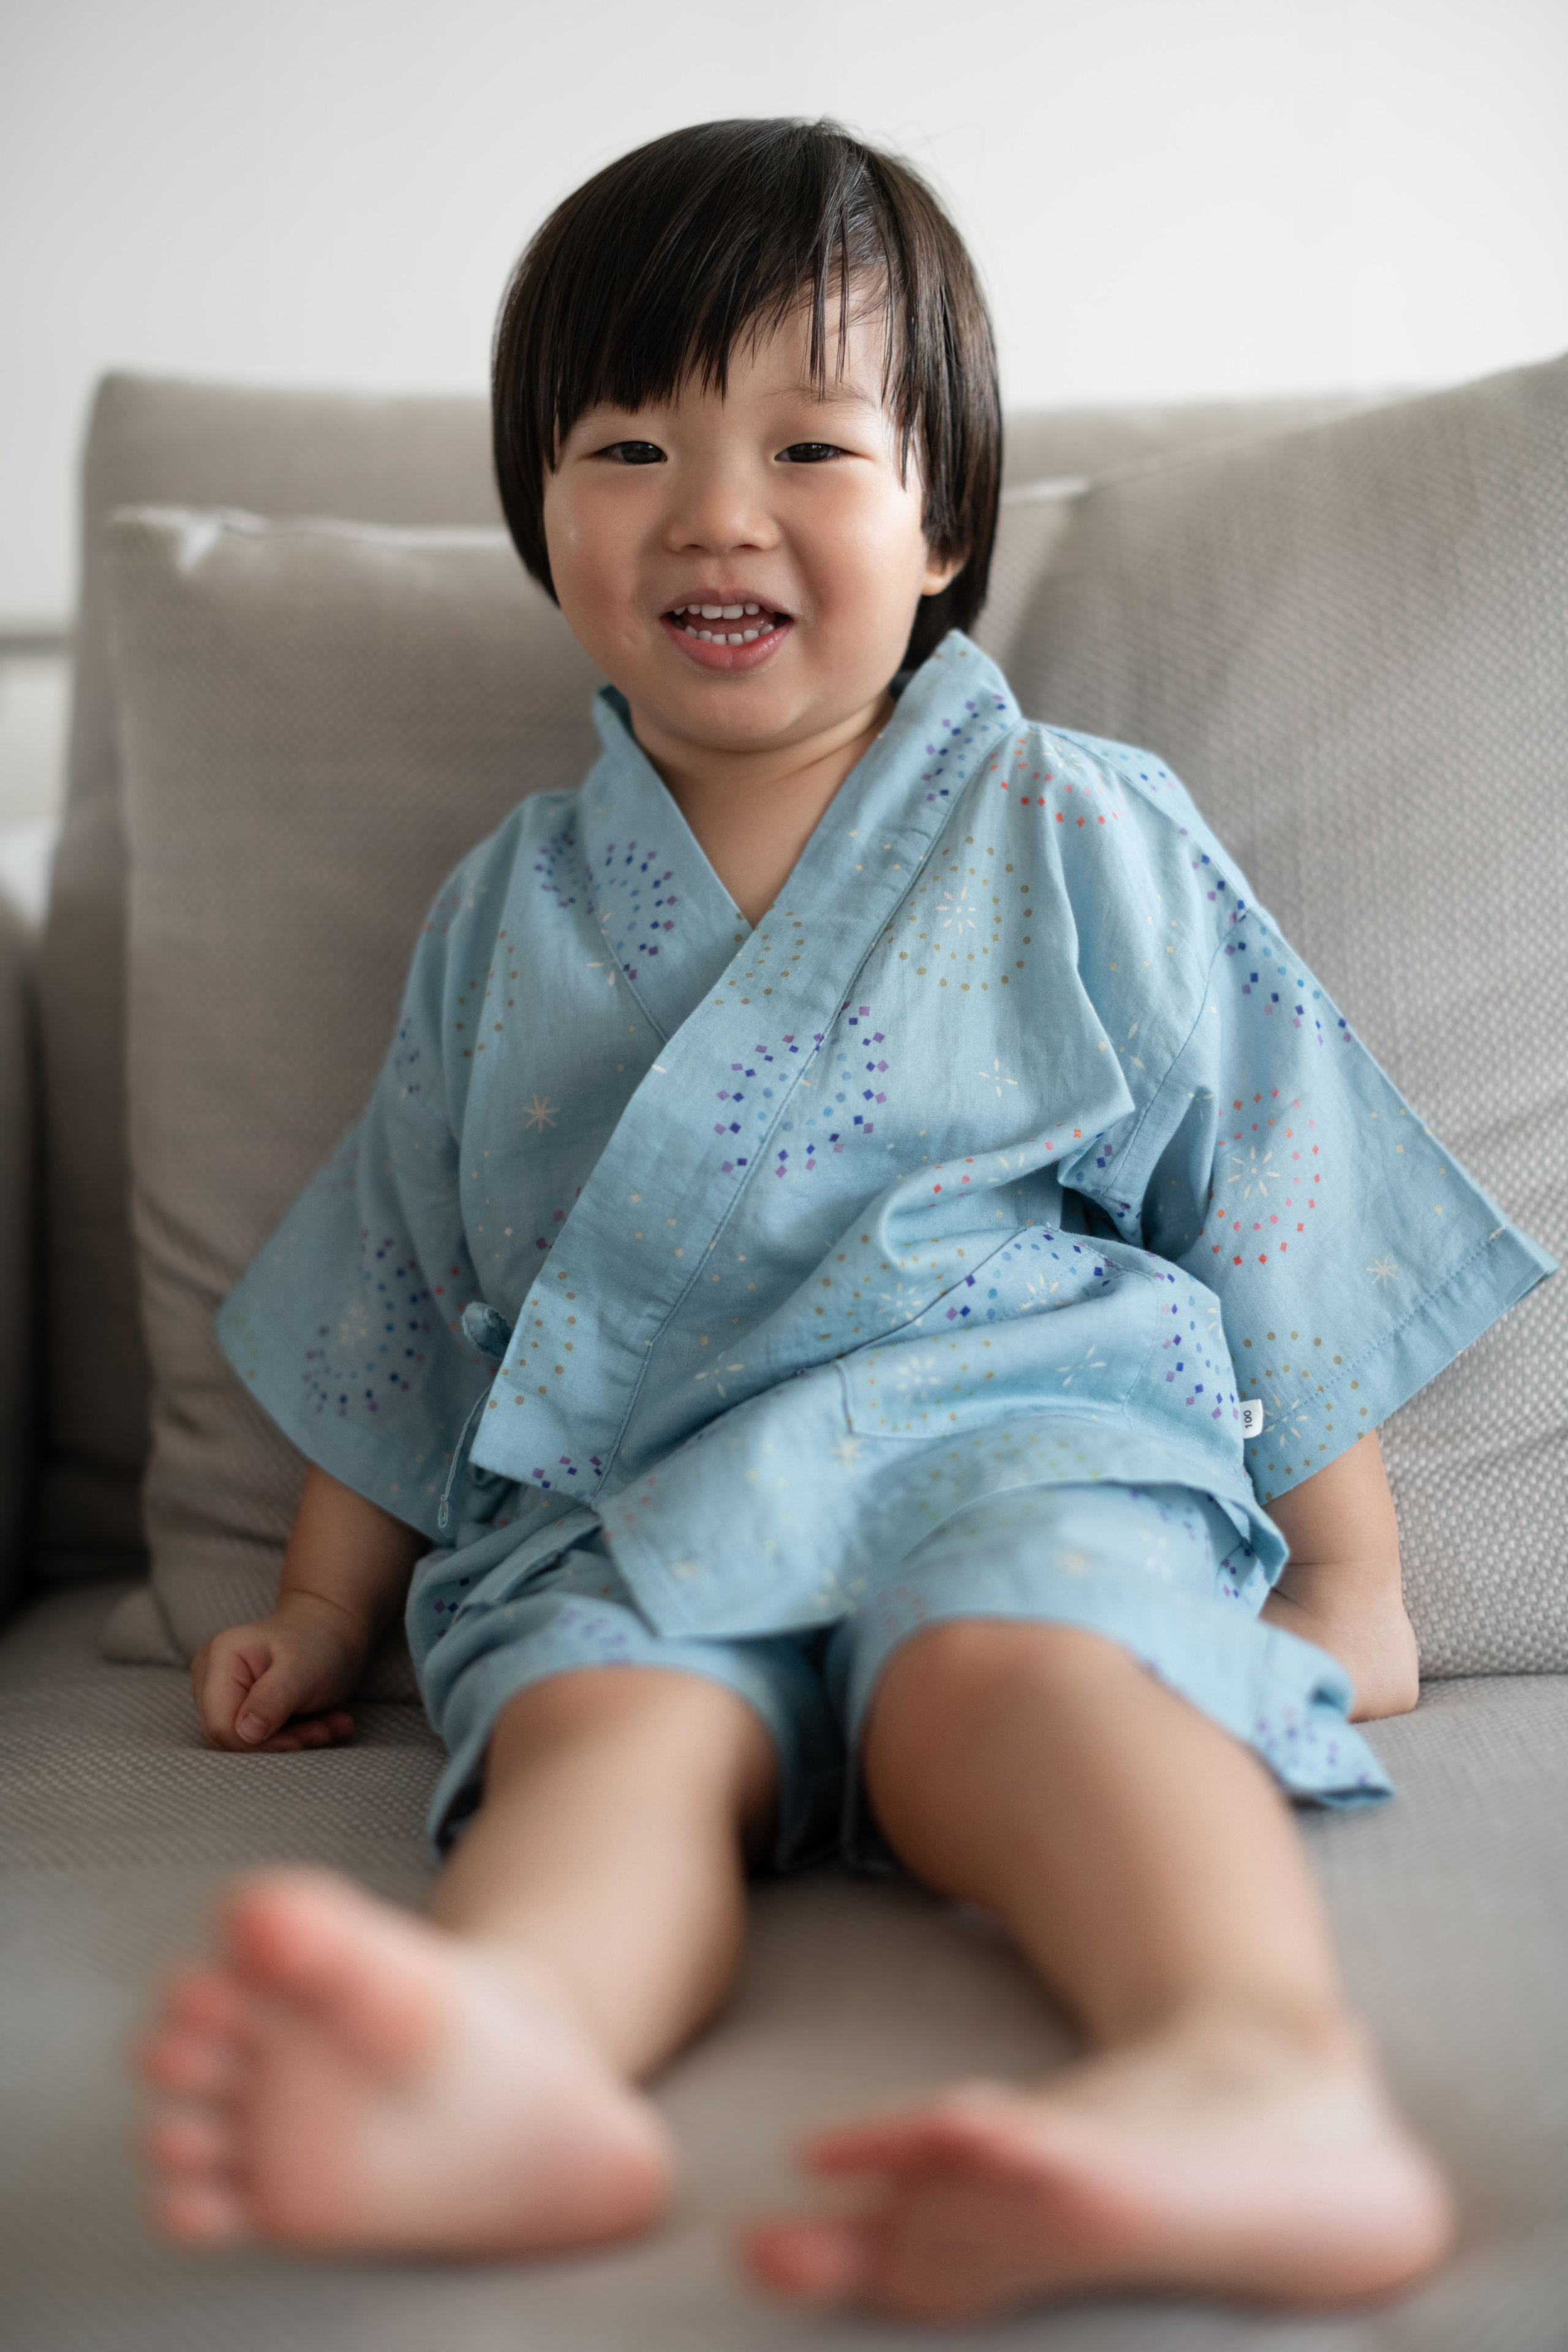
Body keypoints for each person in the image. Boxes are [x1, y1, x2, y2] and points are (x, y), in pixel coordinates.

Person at [137, 118, 1552, 2321]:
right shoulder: (505, 911)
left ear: (943, 513)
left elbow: (1264, 1174)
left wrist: (1352, 1580)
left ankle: (1246, 2067)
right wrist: (323, 1614)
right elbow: (409, 1285)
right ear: (542, 511)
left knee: (1032, 1664)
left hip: (1017, 1442)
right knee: (608, 1729)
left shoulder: (1076, 824)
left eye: (810, 441)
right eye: (629, 443)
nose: (716, 509)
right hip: (646, 1490)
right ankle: (509, 2056)